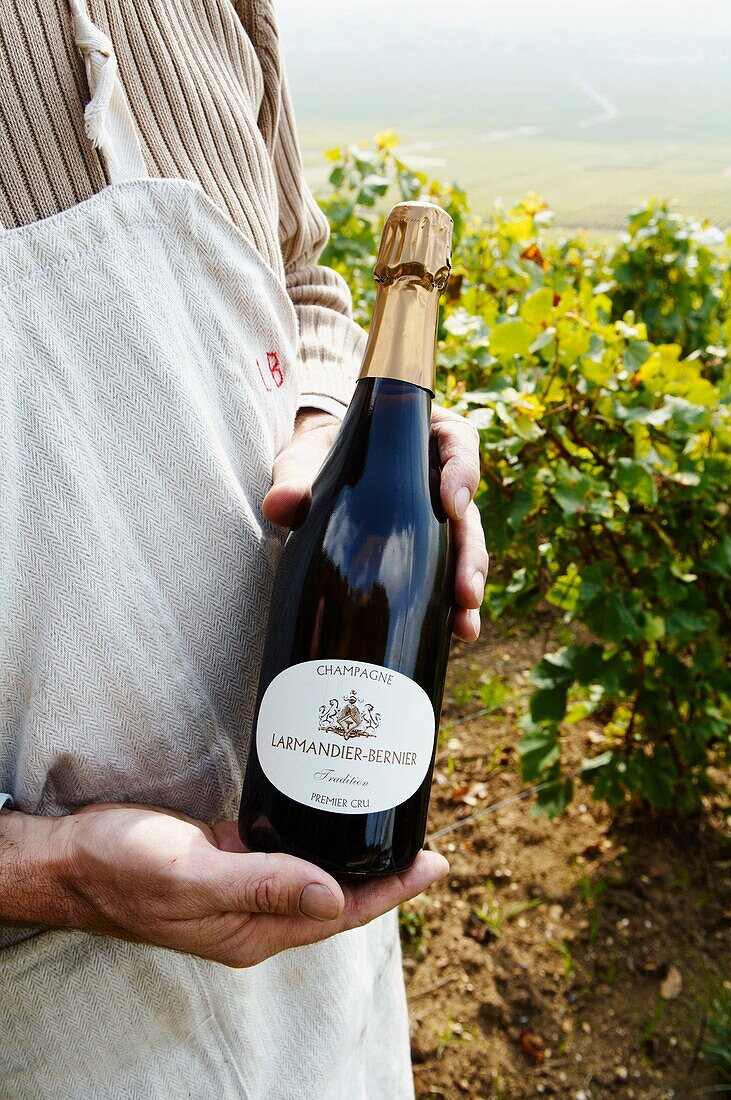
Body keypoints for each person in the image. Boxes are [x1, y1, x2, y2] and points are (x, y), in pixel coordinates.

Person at [0, 2, 489, 1097]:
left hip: (304, 873)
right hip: (28, 1003)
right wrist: (42, 871)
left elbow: (301, 279)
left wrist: (337, 429)